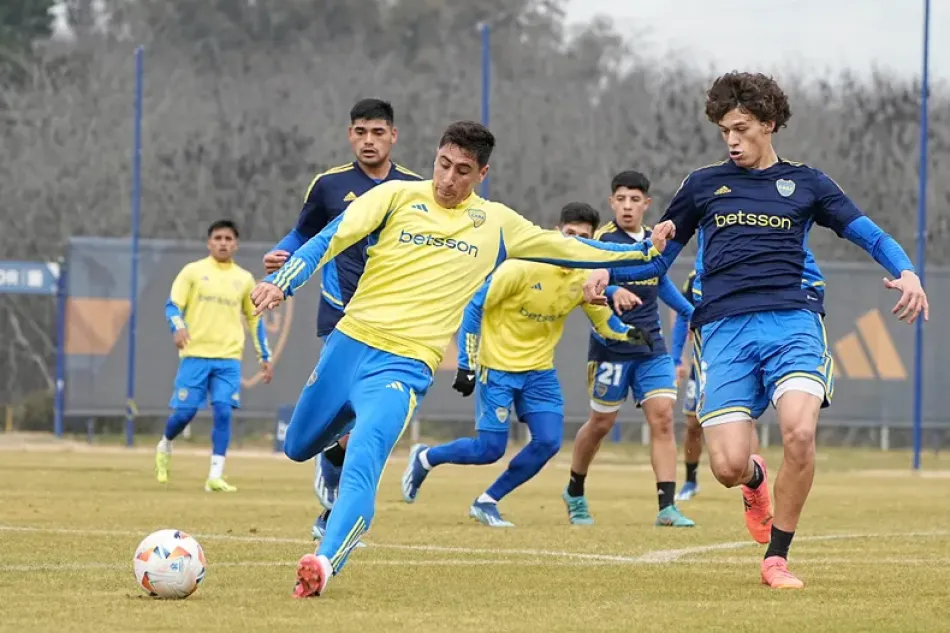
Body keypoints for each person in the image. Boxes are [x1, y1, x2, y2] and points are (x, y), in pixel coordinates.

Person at [250, 120, 674, 598]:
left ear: (482, 174)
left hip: (403, 367)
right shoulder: (396, 197)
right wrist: (281, 282)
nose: (448, 179)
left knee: (364, 462)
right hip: (347, 346)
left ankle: (324, 563)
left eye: (463, 171)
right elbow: (330, 238)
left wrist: (644, 248)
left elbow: (569, 247)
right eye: (443, 164)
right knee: (298, 446)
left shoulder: (496, 223)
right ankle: (331, 439)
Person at [587, 72, 928, 589]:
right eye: (725, 130)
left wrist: (905, 270)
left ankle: (777, 558)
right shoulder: (702, 185)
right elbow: (657, 260)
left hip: (792, 321)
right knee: (726, 466)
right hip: (724, 331)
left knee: (800, 431)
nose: (731, 139)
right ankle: (755, 480)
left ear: (769, 124)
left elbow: (869, 233)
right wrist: (610, 270)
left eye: (741, 128)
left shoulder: (807, 183)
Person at [401, 203, 653, 527]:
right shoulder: (521, 267)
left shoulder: (584, 278)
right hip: (498, 368)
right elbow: (475, 308)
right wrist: (466, 363)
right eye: (569, 233)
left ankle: (486, 500)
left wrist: (631, 334)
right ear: (556, 232)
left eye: (582, 237)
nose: (573, 241)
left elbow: (604, 323)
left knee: (548, 442)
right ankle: (426, 457)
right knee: (489, 450)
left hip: (538, 372)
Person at [262, 98, 422, 539]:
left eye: (377, 133)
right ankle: (332, 475)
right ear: (350, 134)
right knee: (348, 420)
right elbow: (303, 232)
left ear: (393, 136)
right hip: (341, 314)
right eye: (360, 132)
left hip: (393, 319)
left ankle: (333, 504)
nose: (368, 141)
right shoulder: (330, 186)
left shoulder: (415, 188)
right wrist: (284, 251)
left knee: (367, 422)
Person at [561, 171, 695, 528]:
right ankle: (575, 490)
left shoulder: (653, 242)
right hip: (612, 350)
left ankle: (667, 507)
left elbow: (663, 285)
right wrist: (610, 290)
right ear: (611, 203)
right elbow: (587, 285)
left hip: (652, 348)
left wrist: (693, 317)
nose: (627, 206)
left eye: (635, 200)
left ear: (646, 204)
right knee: (602, 423)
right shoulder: (603, 240)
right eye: (621, 199)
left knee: (663, 418)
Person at [155, 220, 273, 491]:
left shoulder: (244, 279)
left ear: (236, 244)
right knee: (185, 413)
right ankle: (165, 444)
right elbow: (173, 305)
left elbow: (255, 319)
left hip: (228, 358)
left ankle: (215, 476)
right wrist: (179, 327)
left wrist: (263, 356)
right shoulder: (193, 272)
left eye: (228, 238)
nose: (223, 242)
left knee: (223, 412)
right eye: (218, 238)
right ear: (209, 243)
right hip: (195, 355)